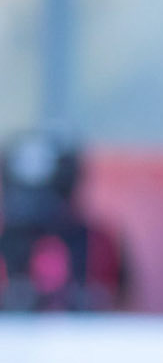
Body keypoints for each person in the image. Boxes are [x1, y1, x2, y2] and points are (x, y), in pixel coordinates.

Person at [0, 131, 129, 309]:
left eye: (48, 195)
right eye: (24, 195)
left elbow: (121, 307)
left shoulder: (96, 243)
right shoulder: (5, 241)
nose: (36, 207)